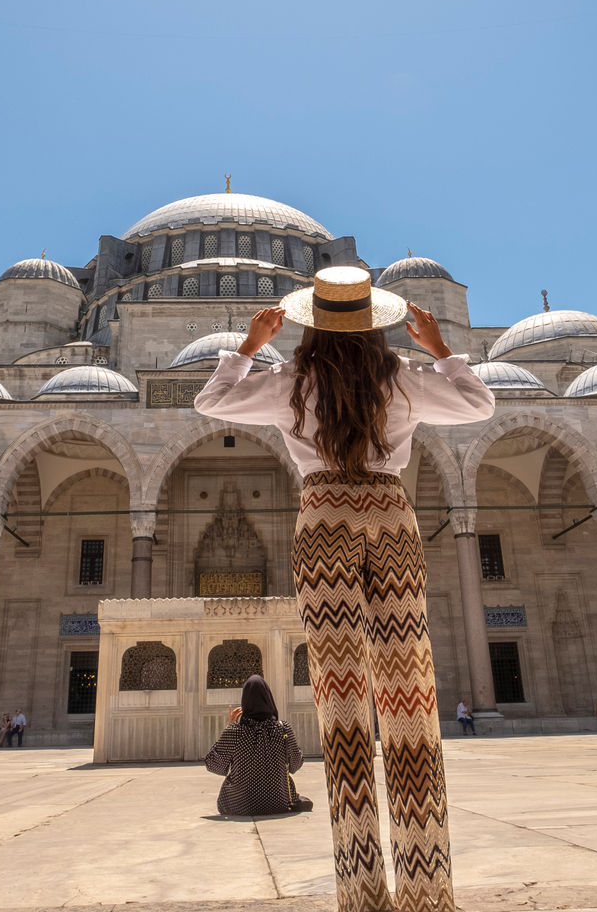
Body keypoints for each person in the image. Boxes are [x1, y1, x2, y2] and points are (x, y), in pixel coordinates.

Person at [195, 269, 493, 912]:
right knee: (409, 696)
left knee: (343, 702)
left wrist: (249, 345)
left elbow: (211, 403)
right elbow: (479, 406)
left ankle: (361, 893)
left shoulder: (289, 383)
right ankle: (426, 890)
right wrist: (440, 348)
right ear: (375, 325)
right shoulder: (402, 380)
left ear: (310, 326)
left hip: (323, 519)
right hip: (390, 519)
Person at [205, 674, 311, 816]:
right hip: (278, 803)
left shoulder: (235, 732)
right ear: (269, 699)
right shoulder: (283, 729)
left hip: (238, 805)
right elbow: (295, 765)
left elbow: (213, 765)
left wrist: (228, 727)